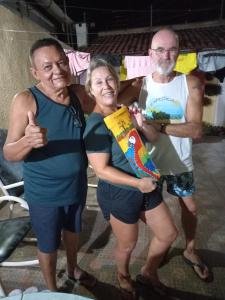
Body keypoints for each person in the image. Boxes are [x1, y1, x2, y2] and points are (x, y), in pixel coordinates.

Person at [119, 28, 212, 282]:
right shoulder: (140, 84)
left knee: (190, 207)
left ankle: (190, 250)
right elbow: (108, 102)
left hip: (179, 163)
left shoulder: (190, 83)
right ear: (150, 53)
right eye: (159, 49)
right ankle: (164, 236)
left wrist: (157, 127)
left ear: (178, 53)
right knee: (144, 209)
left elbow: (195, 129)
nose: (165, 55)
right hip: (149, 163)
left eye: (171, 49)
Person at [3, 38, 96, 291]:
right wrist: (28, 141)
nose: (57, 70)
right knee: (48, 244)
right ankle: (52, 290)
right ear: (35, 72)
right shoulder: (26, 100)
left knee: (73, 232)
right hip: (45, 192)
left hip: (77, 186)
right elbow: (9, 153)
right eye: (47, 67)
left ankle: (74, 268)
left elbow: (106, 106)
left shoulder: (77, 93)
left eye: (61, 62)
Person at [83, 57, 177, 299]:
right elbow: (101, 170)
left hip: (146, 183)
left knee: (168, 234)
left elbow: (153, 139)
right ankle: (122, 276)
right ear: (91, 90)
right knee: (127, 245)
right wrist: (137, 183)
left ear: (117, 82)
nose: (106, 85)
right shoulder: (95, 126)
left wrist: (141, 125)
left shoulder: (123, 112)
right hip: (121, 193)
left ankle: (148, 271)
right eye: (99, 82)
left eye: (110, 79)